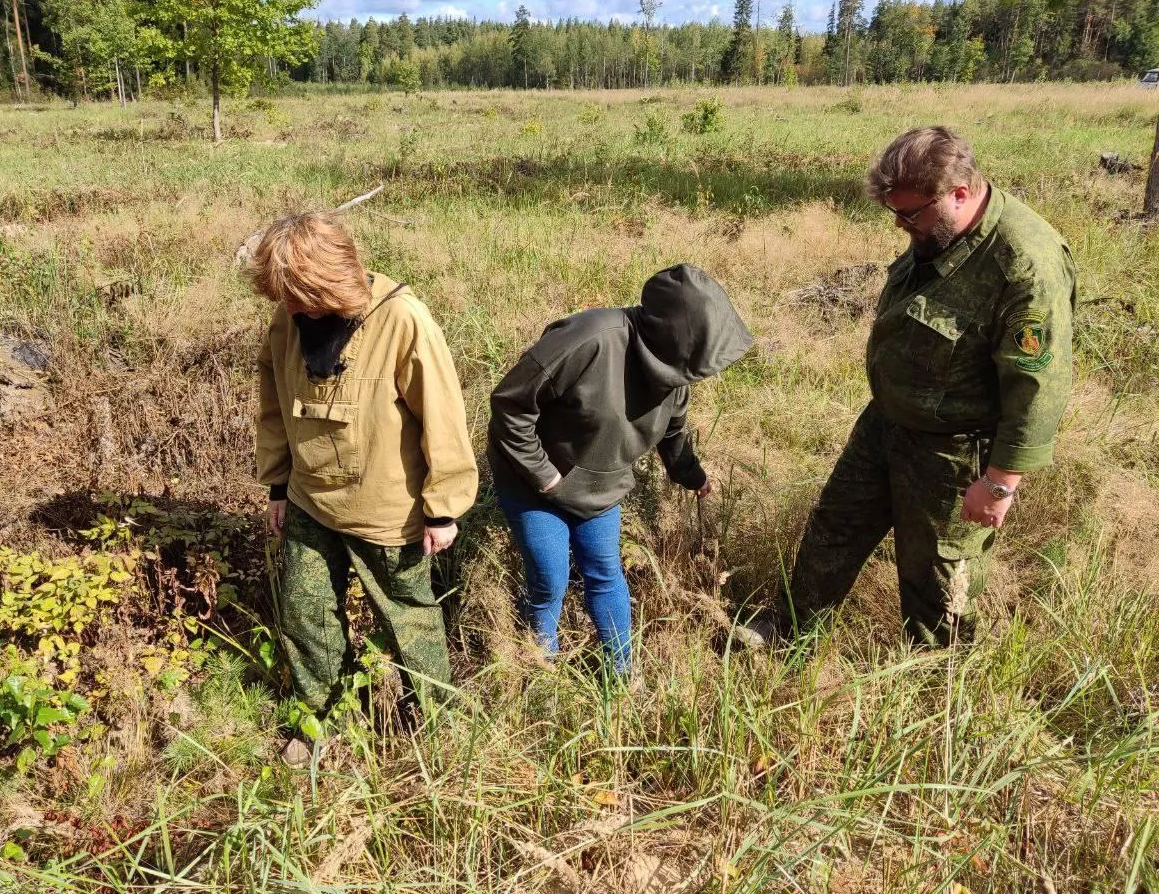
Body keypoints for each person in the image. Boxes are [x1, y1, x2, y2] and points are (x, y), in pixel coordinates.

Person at [745, 127, 1076, 648]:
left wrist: (999, 484)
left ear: (960, 193)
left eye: (910, 214)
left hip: (954, 450)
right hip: (886, 423)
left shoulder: (1024, 265)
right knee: (833, 529)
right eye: (895, 214)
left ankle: (930, 685)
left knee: (936, 580)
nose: (901, 226)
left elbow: (1038, 386)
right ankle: (789, 631)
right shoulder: (935, 231)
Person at [249, 212, 478, 759]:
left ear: (326, 281)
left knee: (409, 623)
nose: (288, 308)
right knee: (307, 616)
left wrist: (443, 509)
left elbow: (443, 416)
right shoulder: (287, 322)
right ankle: (318, 725)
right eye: (282, 298)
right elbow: (276, 406)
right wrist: (278, 485)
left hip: (388, 512)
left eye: (297, 296)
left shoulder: (402, 319)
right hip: (309, 501)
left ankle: (439, 731)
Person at [488, 264, 752, 674]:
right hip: (533, 481)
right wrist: (545, 475)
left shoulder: (674, 376)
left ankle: (623, 676)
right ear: (674, 336)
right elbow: (510, 404)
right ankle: (542, 667)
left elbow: (673, 437)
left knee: (605, 571)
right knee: (550, 578)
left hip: (600, 486)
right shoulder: (591, 339)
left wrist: (693, 477)